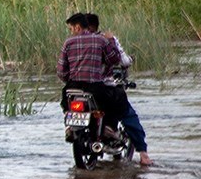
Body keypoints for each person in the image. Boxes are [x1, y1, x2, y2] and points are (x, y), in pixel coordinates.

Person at [86, 13, 153, 166]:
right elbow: (120, 60)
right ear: (95, 26)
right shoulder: (105, 40)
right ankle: (143, 154)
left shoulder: (72, 41)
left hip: (78, 89)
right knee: (128, 115)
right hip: (103, 87)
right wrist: (111, 41)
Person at [57, 12, 125, 134]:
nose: (71, 31)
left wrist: (70, 79)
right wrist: (111, 41)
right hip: (95, 87)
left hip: (73, 87)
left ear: (77, 27)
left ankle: (69, 127)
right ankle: (109, 127)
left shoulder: (68, 43)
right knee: (115, 99)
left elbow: (61, 71)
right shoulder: (100, 40)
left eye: (71, 28)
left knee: (65, 103)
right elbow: (114, 60)